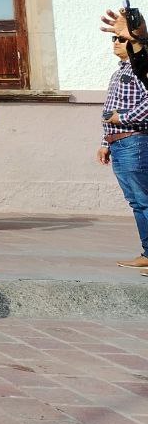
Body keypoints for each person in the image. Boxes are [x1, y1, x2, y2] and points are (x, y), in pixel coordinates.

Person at [97, 32, 148, 269]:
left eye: (121, 38)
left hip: (135, 141)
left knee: (143, 200)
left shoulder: (140, 70)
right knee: (137, 202)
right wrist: (106, 143)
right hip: (119, 142)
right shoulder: (119, 71)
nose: (116, 43)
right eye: (113, 39)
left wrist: (123, 118)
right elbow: (110, 109)